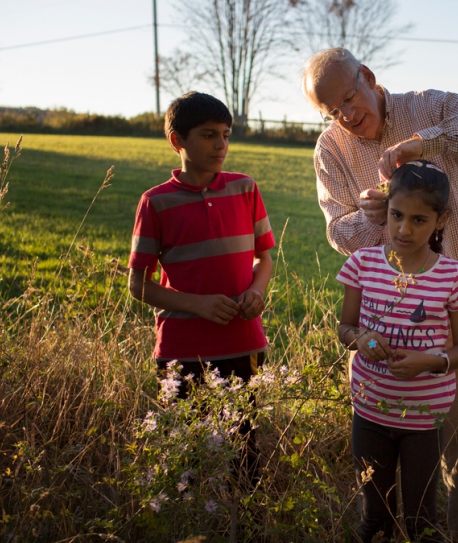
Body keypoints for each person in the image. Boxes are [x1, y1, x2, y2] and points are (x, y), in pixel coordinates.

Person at [303, 47, 458, 541]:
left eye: (350, 99)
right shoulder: (330, 149)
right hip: (382, 301)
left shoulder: (431, 107)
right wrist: (370, 216)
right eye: (332, 111)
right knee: (390, 428)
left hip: (457, 288)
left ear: (369, 77)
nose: (346, 116)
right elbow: (339, 232)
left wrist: (424, 145)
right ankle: (391, 527)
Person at [127, 91, 275, 473]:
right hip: (183, 353)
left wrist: (257, 291)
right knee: (190, 459)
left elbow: (265, 258)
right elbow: (138, 285)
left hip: (244, 344)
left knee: (245, 457)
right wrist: (198, 304)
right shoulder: (155, 202)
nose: (221, 145)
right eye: (209, 135)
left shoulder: (245, 188)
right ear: (177, 140)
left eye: (226, 134)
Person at [337, 160, 458, 543]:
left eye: (419, 220)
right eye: (397, 215)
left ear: (441, 220)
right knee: (374, 519)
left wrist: (431, 362)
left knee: (421, 522)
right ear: (387, 211)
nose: (404, 229)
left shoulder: (452, 275)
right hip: (369, 411)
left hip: (424, 418)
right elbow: (344, 329)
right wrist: (361, 339)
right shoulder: (362, 264)